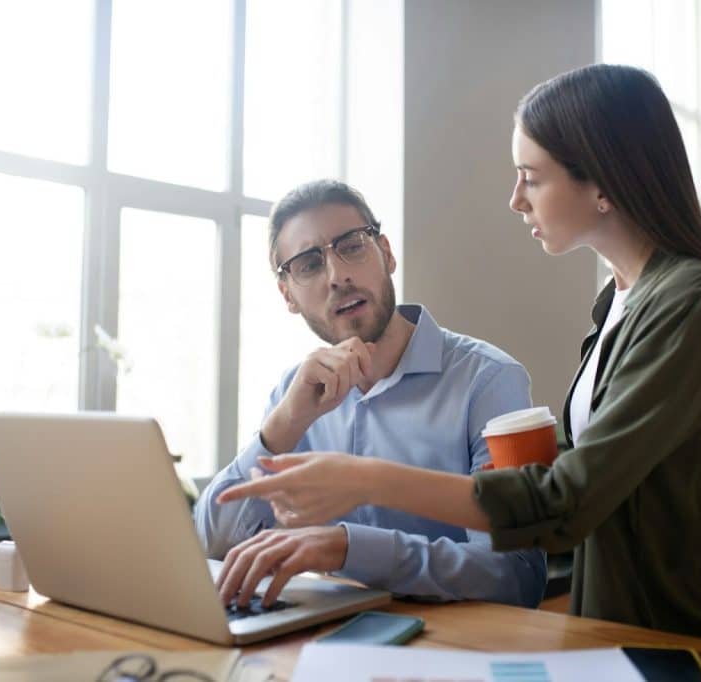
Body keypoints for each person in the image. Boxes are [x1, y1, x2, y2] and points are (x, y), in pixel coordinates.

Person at [219, 65, 701, 646]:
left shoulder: (692, 302)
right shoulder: (618, 303)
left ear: (603, 182)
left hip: (694, 646)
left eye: (531, 178)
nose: (516, 200)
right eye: (308, 265)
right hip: (616, 639)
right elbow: (581, 476)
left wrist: (363, 482)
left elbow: (566, 501)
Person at [195, 179, 546, 610]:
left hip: (454, 641)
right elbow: (212, 543)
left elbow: (517, 575)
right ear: (288, 294)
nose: (337, 276)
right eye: (309, 264)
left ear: (386, 253)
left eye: (352, 246)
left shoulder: (488, 380)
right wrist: (285, 423)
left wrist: (348, 548)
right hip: (325, 634)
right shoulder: (295, 394)